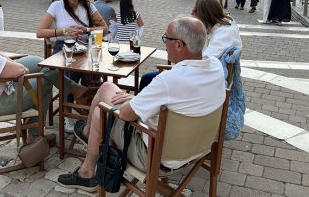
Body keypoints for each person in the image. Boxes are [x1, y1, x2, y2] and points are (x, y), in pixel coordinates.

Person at [57, 17, 226, 192]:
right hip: (199, 150)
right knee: (111, 95)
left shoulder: (169, 81)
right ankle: (87, 139)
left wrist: (132, 102)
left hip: (157, 157)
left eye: (166, 39)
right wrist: (135, 99)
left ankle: (87, 166)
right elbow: (181, 103)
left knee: (102, 111)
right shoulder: (215, 67)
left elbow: (126, 115)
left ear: (178, 45)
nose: (164, 44)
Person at [0, 5, 89, 133]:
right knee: (44, 80)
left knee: (38, 62)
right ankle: (36, 134)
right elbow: (20, 70)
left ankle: (75, 90)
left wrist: (3, 59)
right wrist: (8, 62)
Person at [37, 0, 107, 132]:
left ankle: (91, 107)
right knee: (71, 72)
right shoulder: (56, 6)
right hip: (63, 46)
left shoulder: (88, 6)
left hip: (85, 46)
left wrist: (87, 30)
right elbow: (40, 32)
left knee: (95, 70)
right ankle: (68, 114)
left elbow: (105, 28)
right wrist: (64, 31)